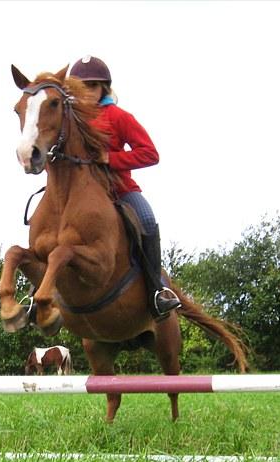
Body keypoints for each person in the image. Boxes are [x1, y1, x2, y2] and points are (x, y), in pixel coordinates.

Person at [68, 55, 181, 320]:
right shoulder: (70, 121)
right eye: (81, 88)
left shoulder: (119, 116)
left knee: (148, 220)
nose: (87, 93)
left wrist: (112, 159)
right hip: (79, 197)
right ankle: (37, 294)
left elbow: (150, 153)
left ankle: (157, 291)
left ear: (104, 89)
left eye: (93, 87)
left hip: (120, 191)